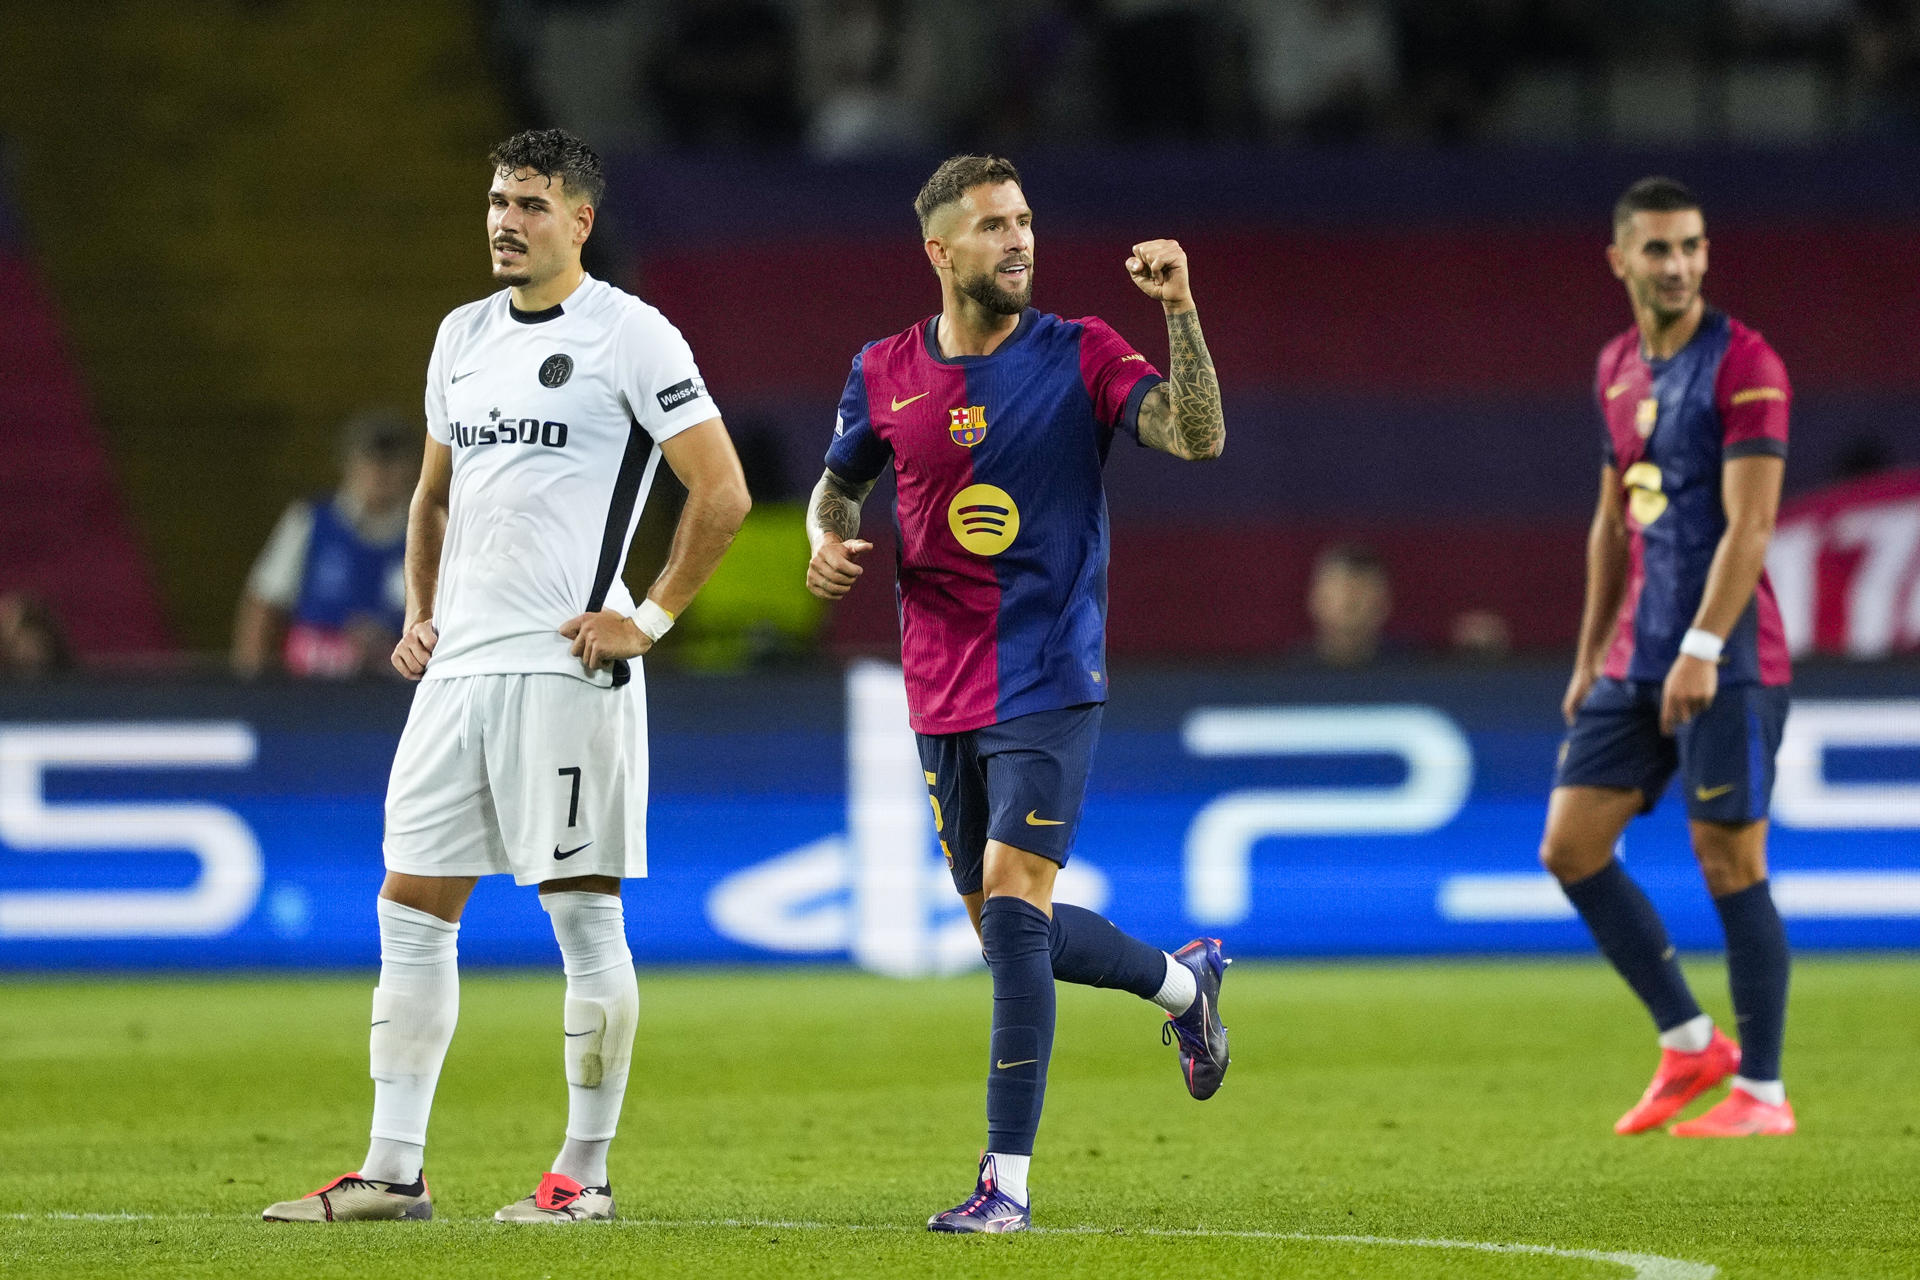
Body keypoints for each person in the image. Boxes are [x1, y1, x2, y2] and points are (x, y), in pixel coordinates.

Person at [263, 129, 750, 1223]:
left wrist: (651, 617)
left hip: (567, 670)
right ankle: (393, 1168)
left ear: (579, 219)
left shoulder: (632, 333)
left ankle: (586, 1172)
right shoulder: (461, 336)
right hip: (459, 674)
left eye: (530, 203)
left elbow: (719, 492)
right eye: (496, 199)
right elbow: (432, 497)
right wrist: (420, 614)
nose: (505, 219)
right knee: (410, 906)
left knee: (582, 916)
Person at [804, 154, 1231, 1234]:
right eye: (994, 226)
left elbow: (1197, 434)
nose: (1020, 241)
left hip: (1049, 670)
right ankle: (1185, 986)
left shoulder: (1081, 351)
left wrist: (1179, 307)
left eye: (1027, 220)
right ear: (942, 251)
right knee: (1010, 929)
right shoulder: (884, 368)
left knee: (1010, 900)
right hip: (939, 682)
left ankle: (1006, 1182)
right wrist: (826, 539)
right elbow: (839, 485)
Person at [1541, 176, 1795, 1139]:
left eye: (1691, 245)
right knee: (1570, 846)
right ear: (1620, 260)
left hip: (1728, 658)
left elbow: (1754, 521)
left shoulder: (1746, 361)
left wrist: (1700, 646)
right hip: (1635, 654)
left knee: (1728, 858)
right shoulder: (1616, 363)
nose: (1679, 264)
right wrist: (1586, 655)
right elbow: (1613, 523)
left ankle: (1763, 1095)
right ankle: (1690, 1042)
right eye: (1658, 248)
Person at [232, 411, 419, 679]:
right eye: (370, 459)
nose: (380, 471)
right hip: (313, 691)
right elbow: (264, 604)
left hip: (398, 692)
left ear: (413, 468)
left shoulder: (429, 531)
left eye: (393, 461)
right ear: (348, 464)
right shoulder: (309, 521)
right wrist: (250, 688)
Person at [1306, 541, 1392, 667]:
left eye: (1363, 588)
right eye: (1339, 587)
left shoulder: (1415, 670)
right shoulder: (1282, 673)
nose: (1350, 596)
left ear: (1383, 604)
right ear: (1317, 600)